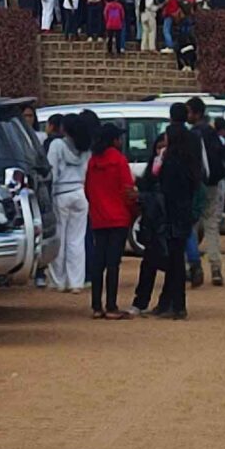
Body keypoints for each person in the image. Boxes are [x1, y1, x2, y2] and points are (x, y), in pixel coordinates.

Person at [131, 104, 206, 320]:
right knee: (175, 257)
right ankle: (169, 302)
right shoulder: (192, 142)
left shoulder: (169, 156)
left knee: (173, 259)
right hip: (183, 206)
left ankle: (176, 305)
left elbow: (158, 179)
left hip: (168, 210)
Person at [84, 118, 138, 319]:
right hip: (118, 217)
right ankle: (111, 305)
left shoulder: (93, 161)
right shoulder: (119, 160)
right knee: (113, 263)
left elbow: (88, 189)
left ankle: (96, 306)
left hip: (99, 217)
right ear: (114, 140)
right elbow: (127, 189)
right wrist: (132, 210)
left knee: (98, 262)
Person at [187, 97, 225, 288]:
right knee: (211, 226)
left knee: (191, 226)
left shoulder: (192, 135)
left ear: (196, 113)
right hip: (213, 184)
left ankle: (193, 264)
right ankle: (216, 268)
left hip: (196, 185)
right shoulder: (212, 133)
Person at [44, 115, 91, 292]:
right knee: (77, 240)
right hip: (80, 193)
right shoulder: (85, 147)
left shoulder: (57, 145)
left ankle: (58, 281)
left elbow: (52, 173)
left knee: (60, 239)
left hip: (61, 194)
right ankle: (76, 282)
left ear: (64, 129)